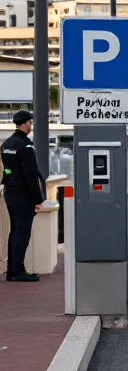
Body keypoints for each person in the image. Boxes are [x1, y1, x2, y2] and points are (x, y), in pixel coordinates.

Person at [1, 110, 45, 282]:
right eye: (30, 122)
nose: (31, 125)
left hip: (10, 193)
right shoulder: (26, 146)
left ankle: (12, 269)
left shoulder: (6, 144)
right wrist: (37, 200)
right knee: (22, 233)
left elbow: (7, 171)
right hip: (23, 196)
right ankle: (17, 271)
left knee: (15, 232)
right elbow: (31, 174)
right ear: (25, 123)